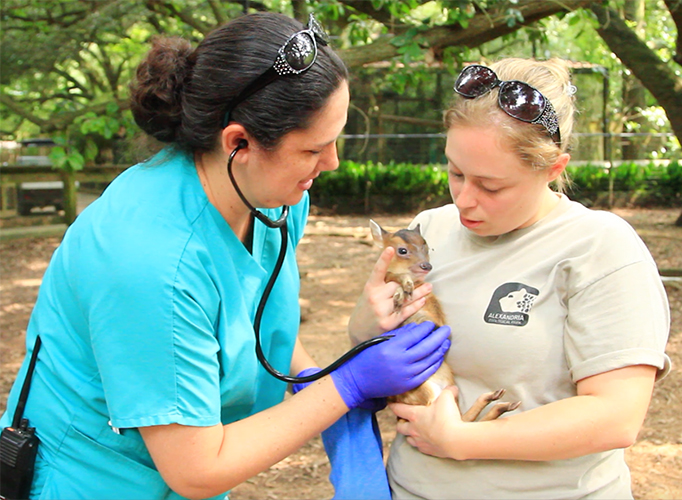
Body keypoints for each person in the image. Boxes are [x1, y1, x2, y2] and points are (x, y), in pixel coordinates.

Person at [0, 12, 452, 500]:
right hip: (98, 481)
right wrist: (344, 387)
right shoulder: (148, 264)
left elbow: (261, 317)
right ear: (239, 143)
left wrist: (310, 381)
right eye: (315, 148)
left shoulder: (273, 197)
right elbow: (197, 468)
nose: (333, 163)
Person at [348, 58, 671, 499]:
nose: (464, 200)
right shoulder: (431, 230)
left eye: (491, 186)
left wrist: (462, 441)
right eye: (455, 172)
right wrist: (368, 323)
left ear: (553, 169)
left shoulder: (601, 247)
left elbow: (615, 417)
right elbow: (371, 339)